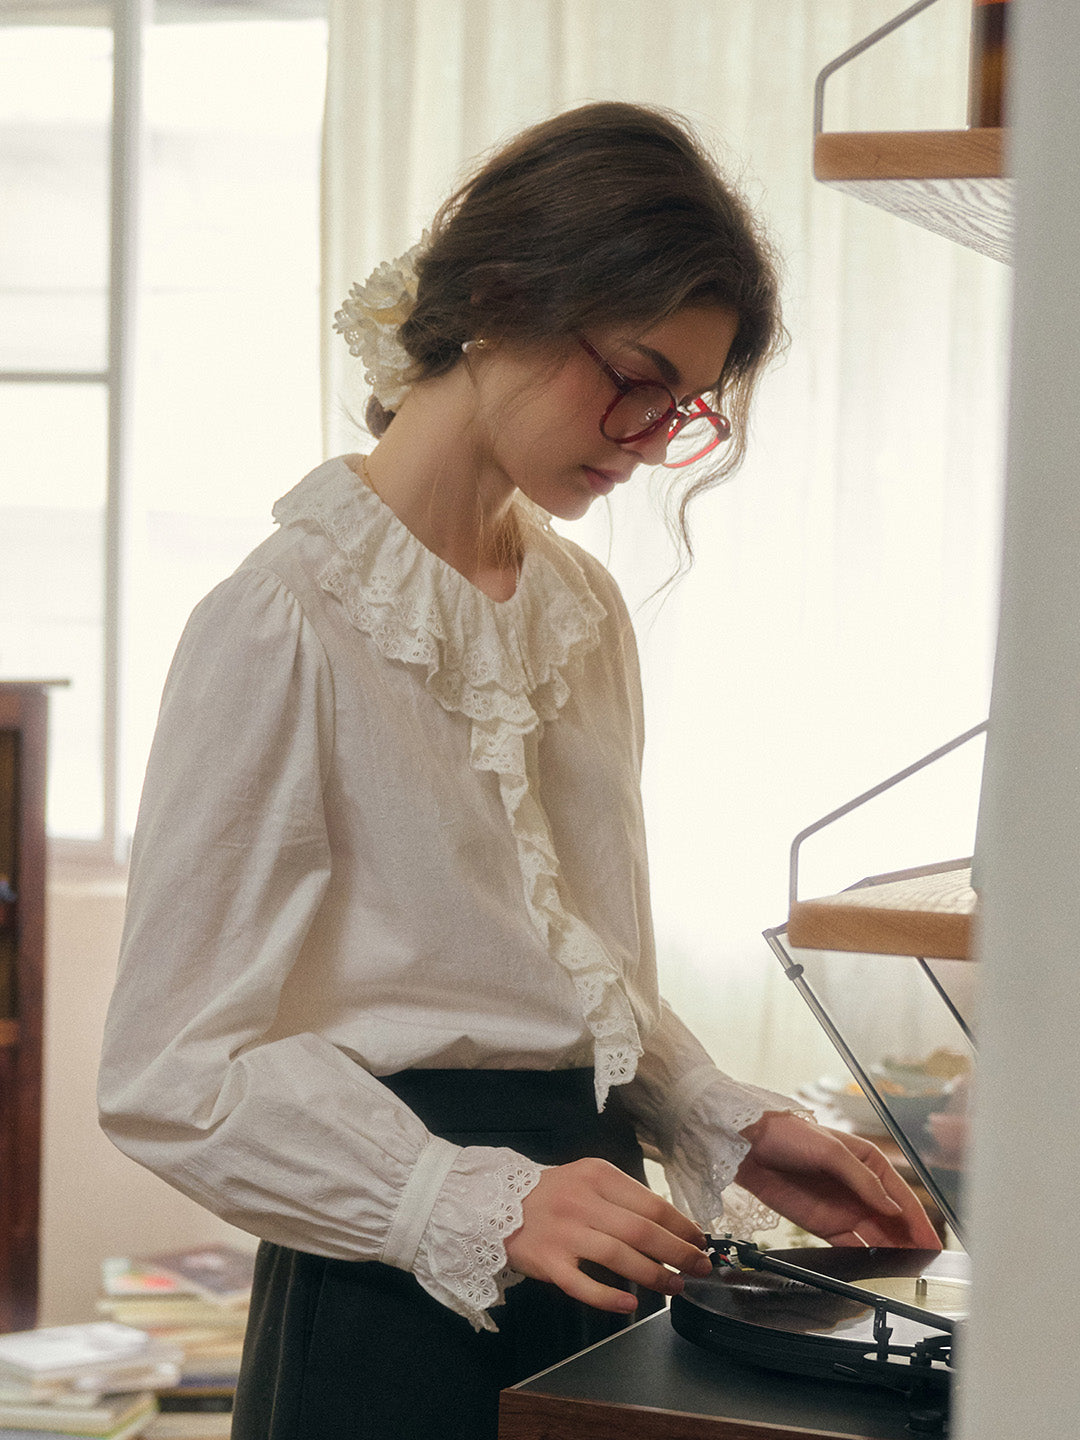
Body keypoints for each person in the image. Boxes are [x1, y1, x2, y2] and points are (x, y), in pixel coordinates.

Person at [98, 102, 939, 1440]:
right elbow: (170, 1073)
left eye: (688, 410)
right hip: (390, 1285)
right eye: (638, 376)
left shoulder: (582, 611)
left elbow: (574, 971)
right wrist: (454, 1196)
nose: (653, 435)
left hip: (602, 1245)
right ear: (500, 298)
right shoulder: (284, 621)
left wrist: (723, 1118)